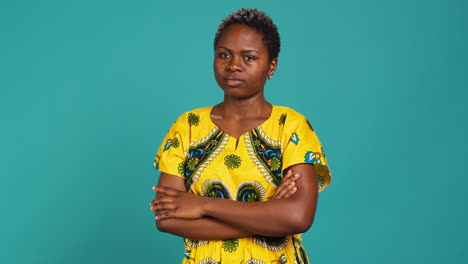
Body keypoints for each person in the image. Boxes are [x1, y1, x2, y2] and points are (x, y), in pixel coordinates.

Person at [149, 8, 331, 264]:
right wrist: (267, 215)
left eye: (249, 57)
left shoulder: (290, 127)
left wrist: (202, 205)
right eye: (224, 55)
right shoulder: (188, 126)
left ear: (272, 65)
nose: (233, 65)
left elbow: (298, 217)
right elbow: (166, 218)